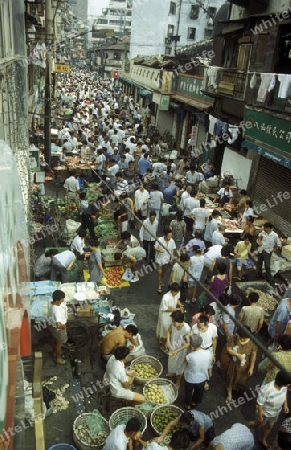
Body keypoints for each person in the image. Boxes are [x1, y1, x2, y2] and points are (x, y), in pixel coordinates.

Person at [248, 371, 291, 450]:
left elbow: (285, 395)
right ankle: (246, 427)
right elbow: (260, 404)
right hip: (264, 413)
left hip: (275, 413)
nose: (289, 385)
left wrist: (285, 405)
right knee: (257, 424)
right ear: (283, 382)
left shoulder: (284, 387)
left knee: (269, 426)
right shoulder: (267, 389)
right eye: (288, 383)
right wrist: (260, 417)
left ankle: (262, 439)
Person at [223, 326, 257, 404]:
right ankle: (229, 395)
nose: (242, 339)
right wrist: (237, 354)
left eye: (244, 338)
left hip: (245, 366)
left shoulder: (252, 342)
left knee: (240, 380)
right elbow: (228, 349)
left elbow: (253, 354)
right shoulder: (233, 338)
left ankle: (236, 388)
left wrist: (251, 367)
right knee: (230, 379)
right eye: (240, 337)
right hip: (233, 364)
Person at [183, 334, 212, 410]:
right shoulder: (208, 353)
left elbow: (185, 361)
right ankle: (194, 402)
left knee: (189, 392)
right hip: (202, 378)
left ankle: (187, 405)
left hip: (190, 378)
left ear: (192, 346)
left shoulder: (190, 356)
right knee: (198, 392)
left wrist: (189, 350)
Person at [165, 310, 190, 387]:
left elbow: (187, 344)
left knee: (180, 365)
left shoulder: (186, 329)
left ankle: (178, 380)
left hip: (181, 350)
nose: (173, 323)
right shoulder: (173, 325)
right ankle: (172, 371)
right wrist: (168, 341)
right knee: (171, 361)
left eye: (174, 322)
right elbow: (169, 331)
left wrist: (177, 351)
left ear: (180, 321)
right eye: (172, 321)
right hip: (173, 346)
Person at [191, 315, 217, 390]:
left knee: (209, 368)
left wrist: (214, 354)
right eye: (198, 326)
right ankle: (195, 382)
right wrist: (192, 351)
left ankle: (205, 381)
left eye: (201, 327)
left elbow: (214, 340)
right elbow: (193, 340)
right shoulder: (194, 328)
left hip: (209, 349)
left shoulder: (213, 328)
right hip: (199, 349)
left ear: (207, 325)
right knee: (197, 367)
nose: (199, 328)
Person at [156, 283, 182, 351]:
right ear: (172, 290)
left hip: (172, 314)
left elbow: (177, 299)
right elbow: (164, 309)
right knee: (165, 330)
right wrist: (176, 309)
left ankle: (166, 341)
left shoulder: (177, 292)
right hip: (165, 315)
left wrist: (180, 304)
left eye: (178, 292)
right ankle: (164, 345)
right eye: (175, 292)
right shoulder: (165, 298)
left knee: (170, 329)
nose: (177, 293)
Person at [47, 290, 68, 364]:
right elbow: (58, 325)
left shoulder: (50, 302)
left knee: (54, 339)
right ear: (57, 300)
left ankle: (54, 352)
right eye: (62, 299)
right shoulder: (57, 311)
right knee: (59, 343)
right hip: (58, 329)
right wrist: (63, 327)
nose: (63, 300)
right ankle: (58, 358)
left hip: (51, 325)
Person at [155, 228, 176, 294]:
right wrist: (159, 250)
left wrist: (171, 258)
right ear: (165, 235)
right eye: (168, 236)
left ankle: (160, 280)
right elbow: (155, 247)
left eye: (171, 236)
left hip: (166, 260)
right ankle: (159, 286)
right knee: (159, 272)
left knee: (163, 271)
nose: (170, 238)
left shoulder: (172, 241)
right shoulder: (159, 240)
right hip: (159, 259)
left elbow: (172, 250)